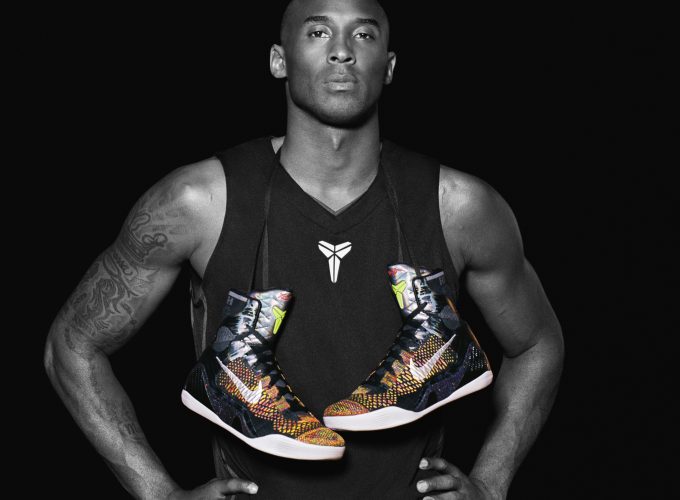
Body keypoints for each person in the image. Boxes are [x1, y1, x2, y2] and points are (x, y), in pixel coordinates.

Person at [44, 0, 564, 498]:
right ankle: (239, 366)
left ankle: (436, 342)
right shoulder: (198, 202)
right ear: (279, 60)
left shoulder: (459, 206)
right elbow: (71, 346)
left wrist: (491, 483)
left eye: (364, 34)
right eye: (318, 32)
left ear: (388, 67)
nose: (342, 50)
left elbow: (538, 344)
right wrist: (159, 494)